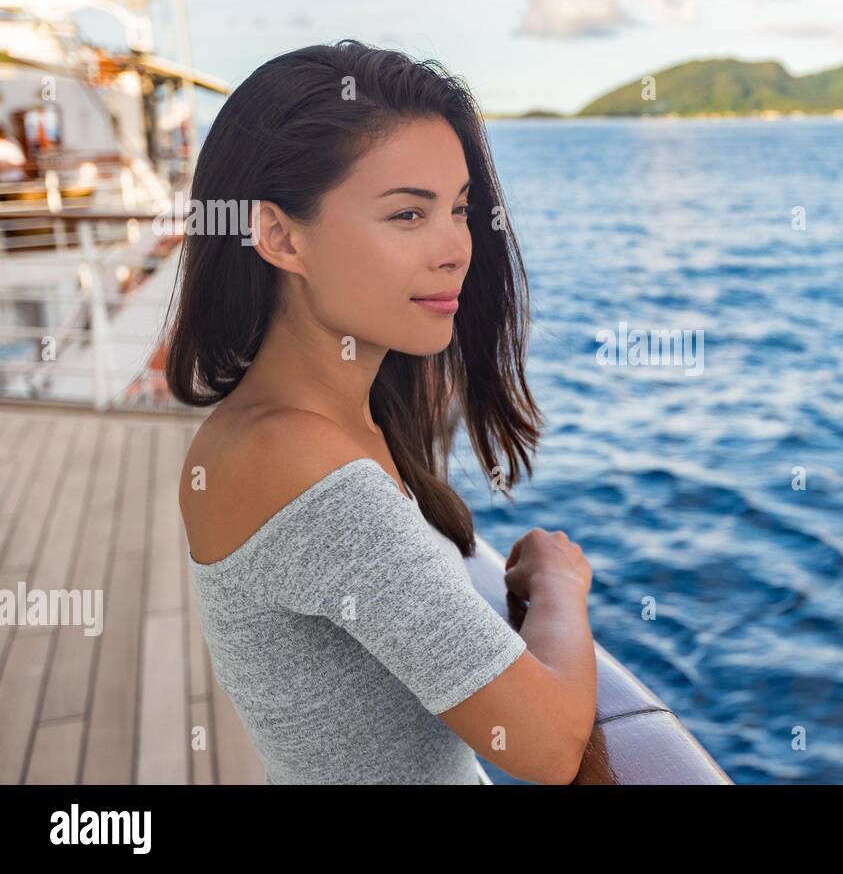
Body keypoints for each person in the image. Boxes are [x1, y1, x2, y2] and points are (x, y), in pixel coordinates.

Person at [169, 40, 596, 784]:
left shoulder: (306, 423)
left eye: (460, 210)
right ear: (279, 234)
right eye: (407, 214)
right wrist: (561, 584)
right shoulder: (302, 472)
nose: (457, 248)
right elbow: (550, 745)